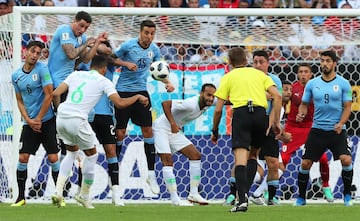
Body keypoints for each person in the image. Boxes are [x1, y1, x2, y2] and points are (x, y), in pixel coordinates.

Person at [51, 55, 149, 209]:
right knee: (92, 155)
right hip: (78, 119)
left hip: (62, 116)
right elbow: (120, 103)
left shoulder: (75, 74)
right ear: (104, 69)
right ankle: (83, 195)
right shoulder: (104, 80)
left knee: (71, 153)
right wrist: (137, 97)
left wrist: (59, 111)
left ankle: (58, 192)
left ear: (91, 65)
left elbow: (56, 93)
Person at [211, 47, 282, 213]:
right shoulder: (259, 75)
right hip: (260, 116)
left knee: (240, 159)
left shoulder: (228, 77)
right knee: (253, 156)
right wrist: (276, 123)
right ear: (246, 60)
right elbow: (277, 96)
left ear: (229, 62)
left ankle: (242, 200)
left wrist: (215, 129)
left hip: (242, 114)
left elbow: (218, 109)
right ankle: (244, 195)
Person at [48, 10, 107, 198]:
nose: (82, 30)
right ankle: (70, 155)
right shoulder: (64, 30)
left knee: (76, 125)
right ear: (74, 21)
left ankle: (71, 159)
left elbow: (85, 59)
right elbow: (72, 53)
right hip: (57, 82)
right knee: (65, 124)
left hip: (68, 83)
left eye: (86, 28)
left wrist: (95, 42)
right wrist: (86, 43)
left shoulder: (80, 39)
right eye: (80, 26)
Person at [112, 19, 174, 195]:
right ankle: (114, 171)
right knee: (120, 133)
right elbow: (111, 59)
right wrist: (125, 64)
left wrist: (167, 82)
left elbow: (157, 71)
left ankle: (151, 174)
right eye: (146, 33)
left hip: (142, 92)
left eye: (152, 33)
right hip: (123, 92)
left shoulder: (154, 50)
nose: (149, 36)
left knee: (148, 131)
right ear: (140, 32)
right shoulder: (128, 46)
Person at [294, 50, 353, 206]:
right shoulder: (313, 84)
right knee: (305, 163)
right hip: (318, 130)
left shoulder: (343, 83)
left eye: (328, 61)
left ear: (334, 63)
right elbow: (304, 105)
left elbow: (348, 107)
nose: (324, 64)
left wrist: (341, 123)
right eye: (322, 61)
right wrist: (301, 114)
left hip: (337, 130)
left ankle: (347, 195)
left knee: (346, 160)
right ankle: (301, 198)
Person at [10, 41, 60, 207]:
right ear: (25, 51)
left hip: (47, 121)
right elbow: (19, 100)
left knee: (53, 157)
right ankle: (20, 197)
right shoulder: (16, 75)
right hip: (30, 123)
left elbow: (49, 94)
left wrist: (38, 118)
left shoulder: (42, 69)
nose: (35, 55)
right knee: (23, 157)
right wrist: (29, 120)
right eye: (33, 51)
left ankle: (59, 196)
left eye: (38, 53)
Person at [153, 83, 215, 206]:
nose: (211, 98)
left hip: (174, 131)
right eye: (208, 95)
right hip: (162, 128)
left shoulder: (209, 102)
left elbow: (225, 102)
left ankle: (193, 193)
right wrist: (172, 123)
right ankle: (175, 199)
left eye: (213, 96)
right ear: (201, 93)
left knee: (195, 155)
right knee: (168, 161)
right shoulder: (191, 104)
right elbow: (165, 104)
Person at [282, 63, 334, 202]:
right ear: (297, 74)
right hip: (292, 127)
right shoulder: (293, 88)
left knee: (322, 158)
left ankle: (326, 186)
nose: (303, 74)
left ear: (311, 74)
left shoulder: (318, 88)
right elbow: (282, 102)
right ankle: (270, 190)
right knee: (283, 159)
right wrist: (284, 97)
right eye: (301, 72)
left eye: (306, 72)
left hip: (311, 127)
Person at [246, 50, 284, 206]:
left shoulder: (275, 80)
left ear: (268, 63)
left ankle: (272, 197)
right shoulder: (247, 80)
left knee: (274, 163)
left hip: (268, 124)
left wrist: (273, 122)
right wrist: (262, 96)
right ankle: (235, 194)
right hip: (250, 123)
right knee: (244, 161)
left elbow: (277, 102)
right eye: (255, 62)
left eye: (261, 62)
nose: (258, 65)